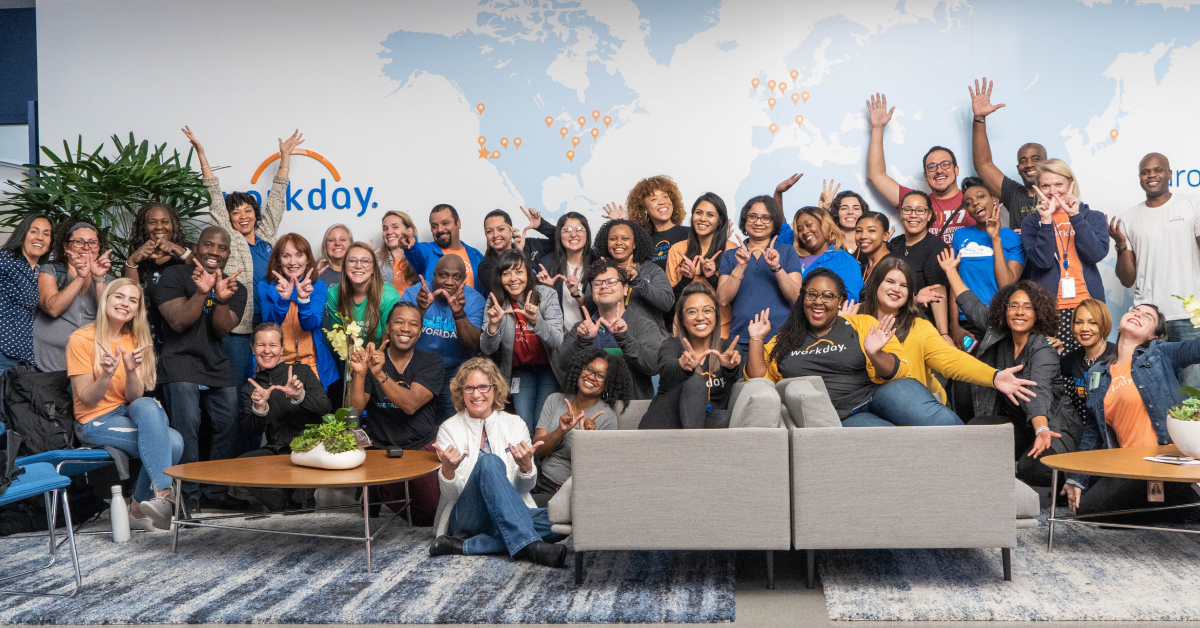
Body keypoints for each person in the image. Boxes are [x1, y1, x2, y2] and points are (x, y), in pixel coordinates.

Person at [747, 268, 961, 427]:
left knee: (943, 422)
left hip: (879, 393)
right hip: (843, 414)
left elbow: (897, 371)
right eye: (811, 294)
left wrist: (875, 353)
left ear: (840, 301)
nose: (818, 301)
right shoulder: (785, 339)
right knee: (889, 438)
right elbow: (759, 380)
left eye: (827, 296)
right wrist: (756, 339)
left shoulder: (863, 324)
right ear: (803, 298)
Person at [940, 250, 1081, 488]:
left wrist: (1042, 429)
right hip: (1020, 425)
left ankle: (1077, 477)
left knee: (1033, 470)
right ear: (1004, 311)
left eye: (1027, 307)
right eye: (1013, 306)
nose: (1019, 312)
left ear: (1038, 314)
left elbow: (1038, 393)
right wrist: (950, 271)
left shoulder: (1043, 347)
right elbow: (971, 304)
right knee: (975, 430)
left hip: (1052, 425)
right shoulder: (999, 332)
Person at [184, 127, 300, 388]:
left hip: (269, 321)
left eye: (248, 210)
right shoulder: (231, 239)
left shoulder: (267, 236)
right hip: (239, 326)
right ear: (229, 218)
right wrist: (201, 155)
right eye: (236, 213)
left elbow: (277, 201)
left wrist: (285, 158)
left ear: (255, 213)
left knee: (270, 384)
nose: (243, 216)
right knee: (237, 384)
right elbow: (215, 198)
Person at [1062, 303, 1200, 521]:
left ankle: (1180, 498)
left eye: (1147, 316)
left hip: (1167, 461)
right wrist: (1076, 478)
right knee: (1085, 509)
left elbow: (1195, 348)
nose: (1138, 314)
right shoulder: (1097, 373)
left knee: (1106, 514)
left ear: (1154, 336)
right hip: (1129, 466)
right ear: (1119, 326)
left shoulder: (1161, 353)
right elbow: (1092, 431)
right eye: (1134, 311)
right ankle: (1174, 507)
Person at [429, 357, 568, 567]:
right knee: (489, 462)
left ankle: (465, 545)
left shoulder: (515, 424)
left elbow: (522, 489)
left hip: (508, 512)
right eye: (469, 388)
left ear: (495, 388)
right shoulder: (449, 428)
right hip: (467, 517)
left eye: (483, 387)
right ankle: (529, 545)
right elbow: (452, 495)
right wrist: (448, 472)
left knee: (565, 518)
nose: (476, 394)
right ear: (461, 392)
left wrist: (526, 468)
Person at [68, 278, 182, 531]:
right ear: (106, 299)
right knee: (173, 442)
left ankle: (146, 505)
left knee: (149, 406)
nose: (125, 304)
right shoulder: (81, 338)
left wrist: (130, 370)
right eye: (119, 296)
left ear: (137, 309)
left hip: (126, 412)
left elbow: (133, 398)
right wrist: (106, 375)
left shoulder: (135, 340)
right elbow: (87, 399)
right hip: (95, 421)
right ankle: (156, 499)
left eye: (133, 300)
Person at [154, 226, 249, 511]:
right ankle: (189, 494)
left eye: (222, 248)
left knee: (228, 421)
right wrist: (201, 292)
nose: (214, 252)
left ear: (228, 254)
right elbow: (178, 322)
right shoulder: (174, 275)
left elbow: (221, 329)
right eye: (209, 245)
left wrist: (221, 299)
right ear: (196, 247)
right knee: (188, 426)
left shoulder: (235, 287)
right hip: (179, 360)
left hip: (215, 362)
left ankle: (215, 491)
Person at [857, 257, 1036, 406]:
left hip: (918, 409)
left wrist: (993, 376)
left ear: (910, 293)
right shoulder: (853, 318)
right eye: (890, 282)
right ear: (876, 284)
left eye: (903, 285)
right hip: (865, 405)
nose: (896, 289)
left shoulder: (918, 327)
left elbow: (952, 360)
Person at [346, 302, 444, 525]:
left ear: (420, 331)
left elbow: (410, 405)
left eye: (413, 324)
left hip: (420, 446)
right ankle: (378, 487)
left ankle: (378, 488)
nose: (406, 328)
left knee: (430, 514)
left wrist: (380, 374)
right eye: (399, 322)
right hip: (382, 449)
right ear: (388, 327)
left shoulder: (432, 361)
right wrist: (360, 373)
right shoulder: (372, 359)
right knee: (405, 505)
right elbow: (355, 410)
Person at [1110, 152, 1200, 390]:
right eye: (1145, 172)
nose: (1152, 175)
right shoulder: (1129, 219)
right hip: (1148, 320)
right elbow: (1127, 279)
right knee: (1152, 389)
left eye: (1158, 170)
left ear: (1169, 174)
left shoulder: (1192, 204)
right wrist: (1120, 245)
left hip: (1189, 315)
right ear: (1140, 177)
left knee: (1193, 390)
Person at [237, 323, 331, 511]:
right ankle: (283, 504)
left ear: (281, 348)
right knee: (241, 466)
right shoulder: (250, 388)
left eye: (272, 345)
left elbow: (325, 407)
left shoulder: (302, 372)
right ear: (253, 348)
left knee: (302, 462)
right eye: (261, 345)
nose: (267, 351)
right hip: (277, 449)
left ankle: (300, 504)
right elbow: (251, 431)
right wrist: (259, 408)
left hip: (309, 445)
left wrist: (300, 396)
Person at [1021, 159, 1109, 355]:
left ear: (1071, 184)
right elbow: (1042, 262)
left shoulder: (1092, 217)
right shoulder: (1031, 223)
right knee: (1051, 365)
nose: (1053, 191)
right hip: (1050, 309)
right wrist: (1046, 221)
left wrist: (1075, 217)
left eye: (1059, 184)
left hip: (1088, 306)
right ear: (1038, 189)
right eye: (1046, 185)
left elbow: (1096, 254)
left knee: (1089, 365)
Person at [867, 93, 972, 246]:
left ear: (956, 170)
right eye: (932, 167)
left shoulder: (975, 199)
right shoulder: (915, 203)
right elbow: (876, 176)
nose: (939, 170)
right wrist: (877, 128)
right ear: (925, 176)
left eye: (945, 164)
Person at [530, 348, 631, 507]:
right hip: (538, 479)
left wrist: (585, 440)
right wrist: (561, 431)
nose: (591, 376)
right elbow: (537, 450)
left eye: (600, 375)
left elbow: (597, 473)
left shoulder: (606, 417)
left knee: (518, 509)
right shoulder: (554, 400)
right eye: (589, 369)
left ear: (608, 384)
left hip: (567, 491)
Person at [482, 249, 565, 433]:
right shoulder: (495, 301)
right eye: (506, 273)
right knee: (523, 421)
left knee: (542, 422)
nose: (513, 279)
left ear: (528, 273)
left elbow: (557, 340)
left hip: (549, 368)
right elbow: (487, 349)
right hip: (521, 370)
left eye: (519, 272)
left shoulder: (547, 295)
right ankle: (527, 453)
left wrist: (536, 321)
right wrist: (493, 326)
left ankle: (541, 453)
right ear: (500, 277)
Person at [640, 283, 744, 429]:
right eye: (692, 312)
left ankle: (693, 439)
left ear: (716, 315)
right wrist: (683, 366)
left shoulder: (727, 348)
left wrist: (730, 367)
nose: (700, 317)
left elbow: (736, 377)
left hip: (702, 421)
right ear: (682, 319)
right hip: (663, 423)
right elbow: (667, 367)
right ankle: (693, 442)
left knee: (724, 418)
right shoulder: (671, 345)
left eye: (707, 310)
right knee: (695, 380)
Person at [560, 259, 662, 399]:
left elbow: (655, 366)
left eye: (611, 281)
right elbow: (563, 365)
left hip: (631, 405)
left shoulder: (644, 325)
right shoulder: (582, 328)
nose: (604, 286)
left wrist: (625, 339)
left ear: (625, 288)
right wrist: (583, 341)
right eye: (597, 283)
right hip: (590, 406)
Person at [717, 196, 803, 359]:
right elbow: (722, 299)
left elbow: (796, 296)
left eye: (765, 217)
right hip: (741, 340)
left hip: (782, 339)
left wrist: (777, 267)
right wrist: (740, 265)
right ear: (745, 220)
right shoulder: (730, 255)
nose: (758, 222)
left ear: (774, 222)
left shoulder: (787, 252)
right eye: (752, 216)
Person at [402, 254, 485, 419]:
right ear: (434, 275)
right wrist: (420, 310)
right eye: (443, 275)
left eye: (456, 277)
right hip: (418, 367)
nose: (449, 282)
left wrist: (459, 313)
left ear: (464, 280)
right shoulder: (414, 293)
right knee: (416, 420)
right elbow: (399, 336)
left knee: (451, 420)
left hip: (456, 369)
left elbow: (475, 345)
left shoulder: (475, 300)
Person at [950, 177, 1025, 348]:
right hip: (966, 322)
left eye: (980, 196)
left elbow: (1006, 285)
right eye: (969, 203)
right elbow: (954, 281)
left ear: (993, 199)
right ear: (968, 211)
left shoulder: (1013, 238)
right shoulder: (960, 235)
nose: (975, 203)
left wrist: (995, 238)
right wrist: (954, 326)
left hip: (1000, 320)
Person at [258, 234, 338, 387]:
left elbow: (310, 324)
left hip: (312, 364)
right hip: (277, 364)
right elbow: (269, 326)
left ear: (307, 259)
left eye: (299, 255)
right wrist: (283, 299)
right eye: (286, 256)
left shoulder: (318, 286)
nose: (292, 262)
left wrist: (303, 299)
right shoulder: (266, 285)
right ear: (278, 260)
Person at [969, 77, 1046, 230]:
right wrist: (979, 119)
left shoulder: (1059, 194)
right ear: (1018, 168)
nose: (1029, 164)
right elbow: (983, 165)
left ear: (1048, 164)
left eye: (1035, 159)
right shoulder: (1014, 194)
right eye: (1023, 161)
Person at [34, 221, 111, 372]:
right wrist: (80, 277)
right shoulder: (51, 271)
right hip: (46, 369)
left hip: (87, 368)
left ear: (99, 247)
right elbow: (52, 309)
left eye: (92, 242)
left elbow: (109, 317)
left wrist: (98, 279)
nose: (86, 247)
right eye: (79, 242)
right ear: (65, 246)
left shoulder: (107, 280)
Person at [123, 201, 193, 352]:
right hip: (146, 338)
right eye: (152, 222)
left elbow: (201, 278)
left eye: (165, 222)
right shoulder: (138, 257)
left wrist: (182, 253)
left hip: (182, 340)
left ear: (173, 225)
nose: (159, 227)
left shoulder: (188, 252)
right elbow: (131, 297)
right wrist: (132, 262)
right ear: (144, 227)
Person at [666, 193, 737, 338]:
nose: (703, 218)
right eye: (698, 213)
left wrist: (712, 278)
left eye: (710, 214)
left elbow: (737, 297)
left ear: (720, 220)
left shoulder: (732, 250)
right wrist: (686, 279)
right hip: (684, 328)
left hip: (721, 327)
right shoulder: (677, 250)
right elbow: (669, 300)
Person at [590, 219, 675, 338]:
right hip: (611, 340)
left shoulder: (651, 270)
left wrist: (638, 281)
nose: (618, 243)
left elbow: (667, 303)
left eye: (625, 239)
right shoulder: (601, 272)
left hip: (649, 340)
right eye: (613, 239)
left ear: (635, 244)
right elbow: (590, 304)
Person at [887, 190, 951, 341]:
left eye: (920, 210)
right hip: (894, 324)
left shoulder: (936, 248)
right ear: (901, 213)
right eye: (907, 210)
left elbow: (938, 294)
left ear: (929, 215)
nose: (913, 215)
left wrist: (943, 333)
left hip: (924, 326)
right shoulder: (894, 244)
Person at [0, 214, 52, 373]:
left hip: (22, 358)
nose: (40, 237)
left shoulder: (37, 271)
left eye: (46, 234)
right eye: (34, 231)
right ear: (23, 234)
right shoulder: (5, 259)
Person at [326, 243, 402, 347]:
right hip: (350, 354)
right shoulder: (334, 293)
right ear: (344, 266)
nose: (358, 266)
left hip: (380, 354)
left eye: (365, 261)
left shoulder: (389, 296)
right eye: (352, 260)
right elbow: (341, 339)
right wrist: (354, 355)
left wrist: (373, 356)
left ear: (374, 268)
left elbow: (387, 345)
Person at [478, 207, 557, 297]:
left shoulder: (530, 245)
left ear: (511, 230)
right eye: (489, 231)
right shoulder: (486, 267)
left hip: (544, 303)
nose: (495, 235)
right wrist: (519, 253)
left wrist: (541, 225)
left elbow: (563, 241)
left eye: (501, 229)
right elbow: (510, 292)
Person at [535, 212, 594, 332]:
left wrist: (576, 293)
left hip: (592, 333)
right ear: (559, 235)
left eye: (579, 229)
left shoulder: (597, 263)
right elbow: (539, 310)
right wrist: (548, 290)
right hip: (558, 334)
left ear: (587, 233)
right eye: (567, 230)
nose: (573, 234)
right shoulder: (548, 263)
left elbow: (600, 307)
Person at [405, 203, 484, 291]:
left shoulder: (476, 255)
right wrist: (410, 244)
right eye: (434, 226)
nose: (440, 229)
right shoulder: (427, 252)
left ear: (458, 223)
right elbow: (414, 253)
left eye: (445, 223)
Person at [1059, 299, 1116, 422]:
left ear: (1104, 324)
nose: (1084, 328)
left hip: (1112, 427)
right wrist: (1051, 350)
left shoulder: (1117, 355)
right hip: (1083, 427)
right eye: (1079, 322)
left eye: (1093, 323)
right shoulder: (1072, 358)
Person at [790, 206, 862, 298]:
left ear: (825, 225)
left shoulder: (845, 261)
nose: (805, 232)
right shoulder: (793, 258)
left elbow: (848, 299)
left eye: (808, 225)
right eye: (800, 230)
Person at [620, 175, 689, 271]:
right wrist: (620, 224)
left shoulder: (690, 233)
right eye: (654, 199)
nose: (662, 202)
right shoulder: (642, 242)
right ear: (644, 209)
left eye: (665, 197)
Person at [377, 210, 419, 294]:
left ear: (409, 231)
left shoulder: (421, 259)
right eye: (385, 228)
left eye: (395, 227)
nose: (389, 232)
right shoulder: (375, 260)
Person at [855, 211, 900, 290]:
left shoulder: (896, 266)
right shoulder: (856, 264)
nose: (863, 236)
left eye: (871, 231)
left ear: (885, 236)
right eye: (859, 231)